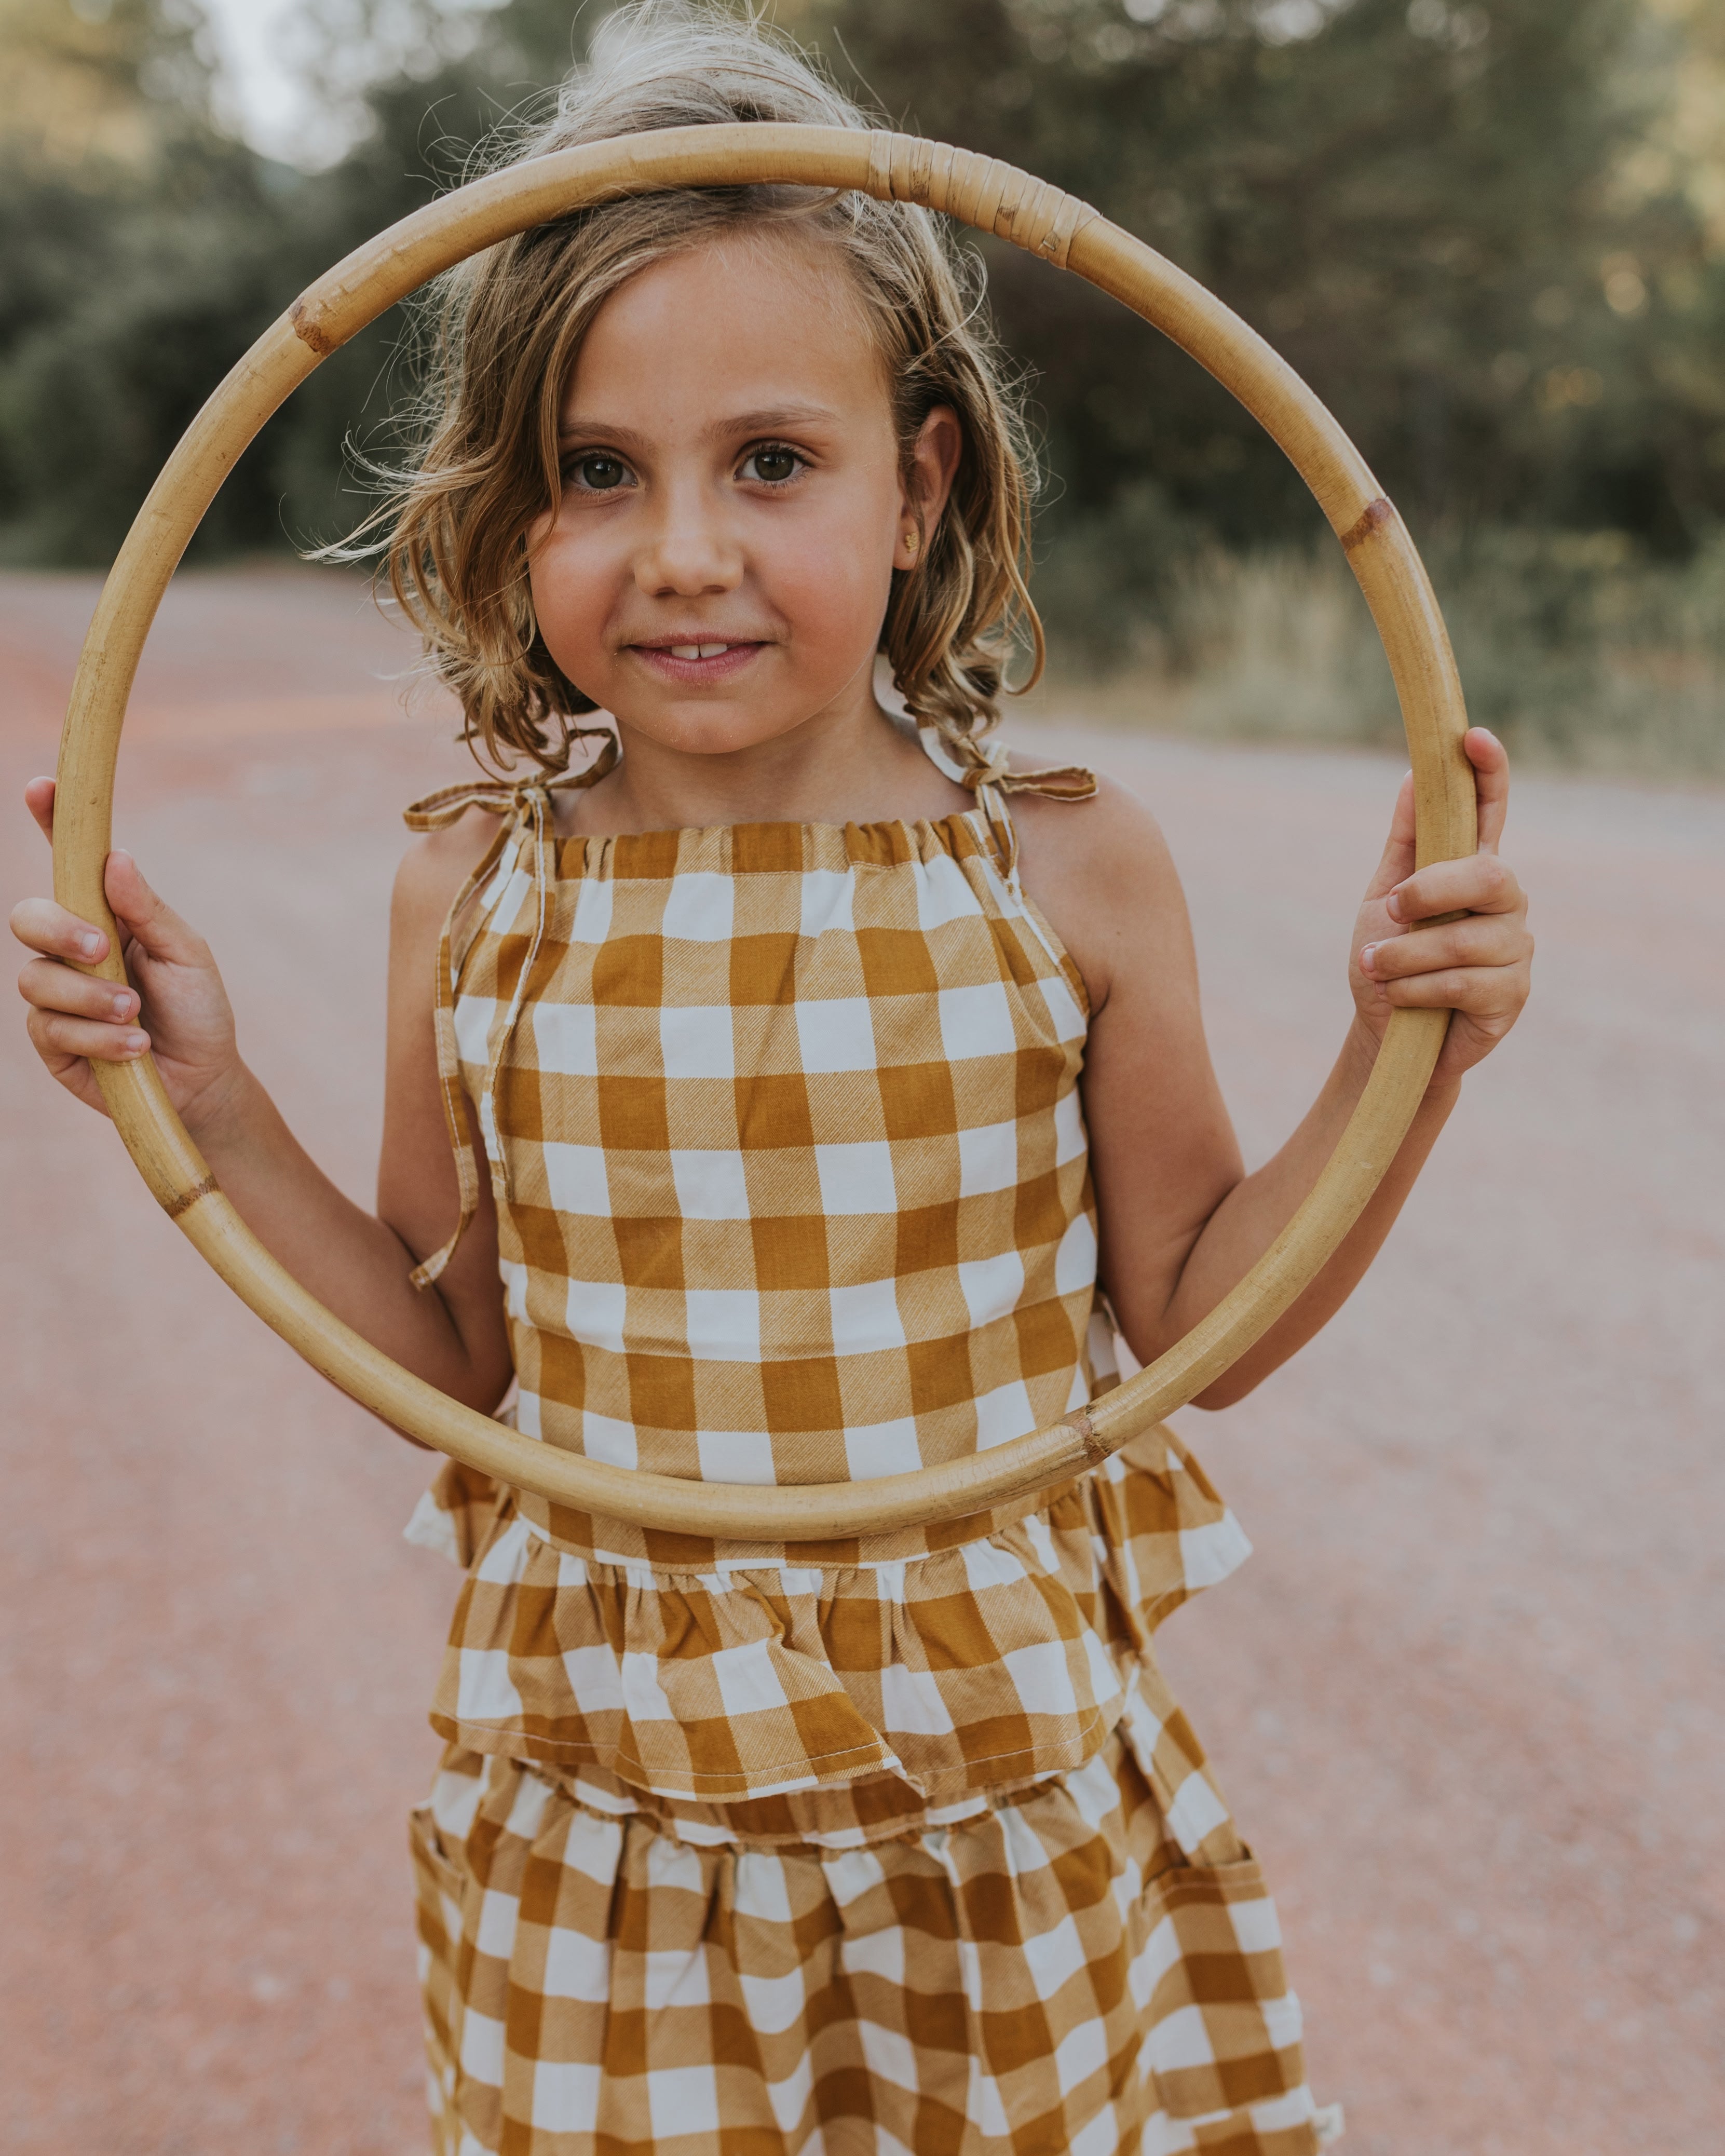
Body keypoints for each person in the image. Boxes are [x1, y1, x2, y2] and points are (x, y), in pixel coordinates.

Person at [10, 9, 1532, 2153]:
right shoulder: (475, 885)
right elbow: (456, 1349)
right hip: (615, 1824)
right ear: (511, 507)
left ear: (919, 481)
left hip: (995, 1806)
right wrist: (215, 1110)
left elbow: (1204, 1322)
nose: (685, 551)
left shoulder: (1066, 870)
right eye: (598, 472)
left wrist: (1407, 1046)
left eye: (774, 461)